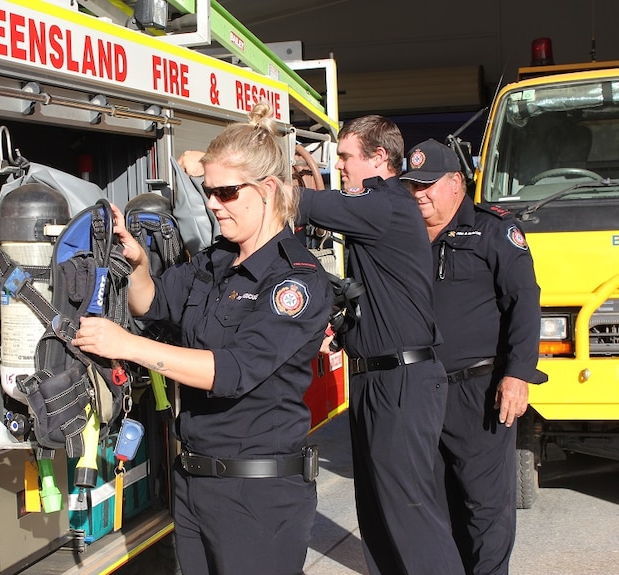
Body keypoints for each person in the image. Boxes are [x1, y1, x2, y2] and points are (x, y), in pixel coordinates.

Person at [73, 102, 334, 575]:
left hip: (257, 496)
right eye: (208, 191)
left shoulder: (295, 283)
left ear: (268, 190)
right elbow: (151, 305)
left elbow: (228, 372)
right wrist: (137, 264)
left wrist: (126, 346)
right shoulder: (216, 261)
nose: (213, 204)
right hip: (195, 484)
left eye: (226, 193)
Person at [297, 116, 465, 574]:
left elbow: (301, 203)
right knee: (378, 517)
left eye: (347, 157)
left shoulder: (386, 204)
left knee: (411, 518)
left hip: (403, 380)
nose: (341, 167)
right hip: (376, 377)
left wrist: (237, 175)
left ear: (379, 159)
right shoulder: (375, 207)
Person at [401, 138, 545, 575]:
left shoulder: (494, 230)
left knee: (484, 506)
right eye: (413, 186)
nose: (420, 194)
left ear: (456, 184)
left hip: (479, 390)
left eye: (428, 185)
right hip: (420, 390)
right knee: (432, 503)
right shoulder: (403, 234)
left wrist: (517, 375)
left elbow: (525, 302)